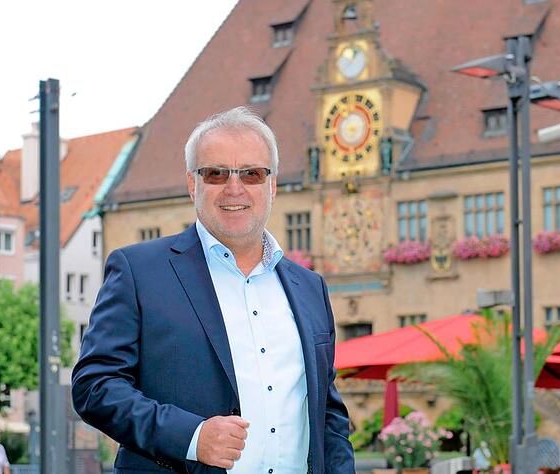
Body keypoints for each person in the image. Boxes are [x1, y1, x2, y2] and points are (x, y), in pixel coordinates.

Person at [72, 106, 355, 473]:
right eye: (216, 173)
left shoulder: (310, 287)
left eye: (251, 174)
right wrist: (191, 437)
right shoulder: (139, 272)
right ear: (193, 184)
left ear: (271, 185)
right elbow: (95, 386)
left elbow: (327, 414)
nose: (234, 188)